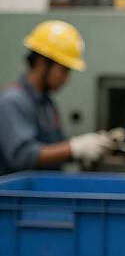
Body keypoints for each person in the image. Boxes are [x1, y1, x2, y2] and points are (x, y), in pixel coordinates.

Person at [0, 20, 115, 175]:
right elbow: (22, 156)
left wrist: (86, 150)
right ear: (42, 63)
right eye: (64, 70)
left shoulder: (45, 103)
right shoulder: (13, 101)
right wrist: (75, 148)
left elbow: (52, 149)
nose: (66, 79)